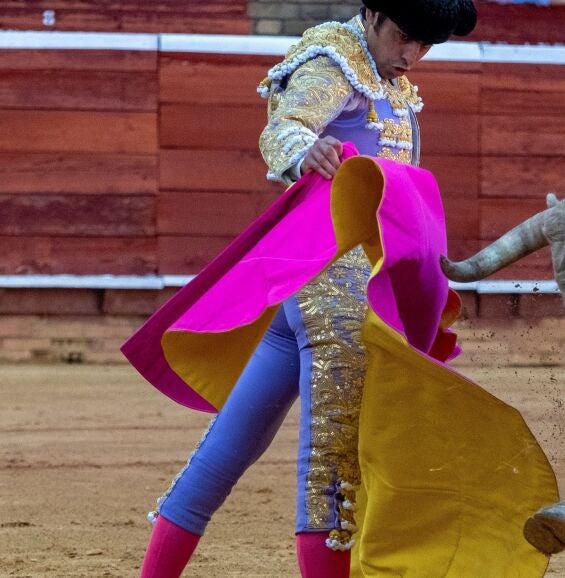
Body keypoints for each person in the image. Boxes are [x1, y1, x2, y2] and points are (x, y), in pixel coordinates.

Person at [138, 2, 476, 576]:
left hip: (311, 290)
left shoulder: (383, 75)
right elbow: (286, 126)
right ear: (372, 12)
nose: (411, 55)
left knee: (229, 448)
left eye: (425, 45)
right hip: (338, 299)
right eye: (403, 37)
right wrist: (303, 151)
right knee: (331, 469)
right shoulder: (335, 62)